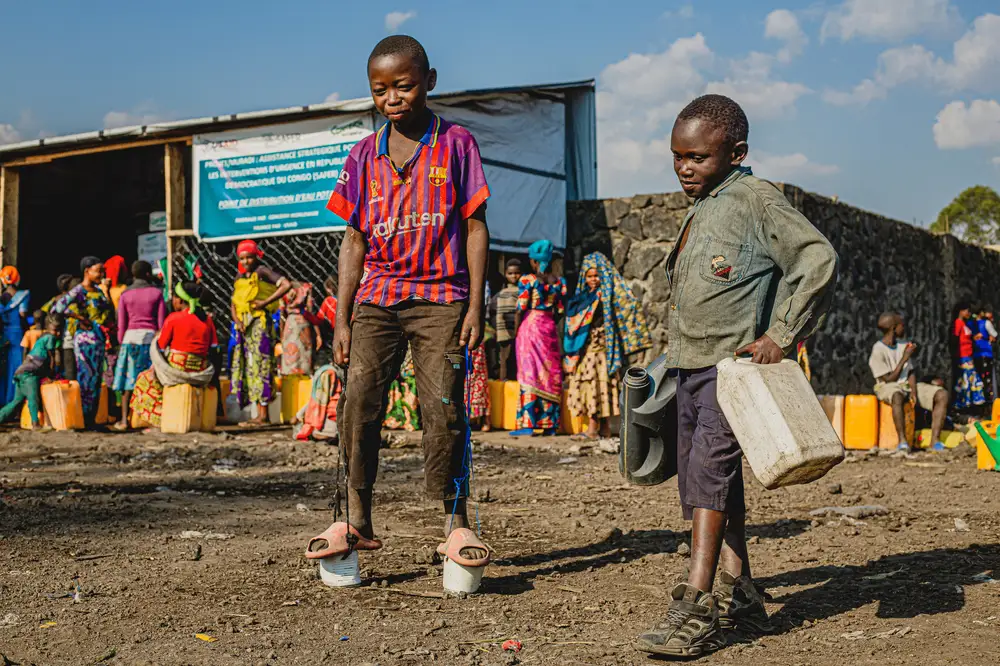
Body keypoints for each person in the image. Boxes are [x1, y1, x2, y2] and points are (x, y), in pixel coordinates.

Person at [635, 94, 838, 658]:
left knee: (709, 472)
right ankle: (740, 590)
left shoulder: (755, 199)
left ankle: (695, 605)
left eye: (697, 157)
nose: (684, 168)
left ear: (736, 153)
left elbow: (817, 260)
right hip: (690, 368)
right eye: (677, 156)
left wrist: (781, 333)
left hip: (733, 372)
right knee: (707, 480)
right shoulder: (705, 205)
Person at [307, 35, 491, 567]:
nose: (392, 98)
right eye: (380, 90)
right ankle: (355, 517)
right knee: (359, 404)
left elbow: (476, 226)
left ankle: (456, 523)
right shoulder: (364, 155)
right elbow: (354, 240)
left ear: (429, 82)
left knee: (444, 408)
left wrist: (475, 305)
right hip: (377, 300)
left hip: (442, 298)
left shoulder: (457, 143)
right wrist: (342, 319)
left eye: (404, 86)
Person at [564, 252, 652, 440]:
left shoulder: (606, 296)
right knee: (592, 386)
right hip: (587, 349)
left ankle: (594, 430)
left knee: (597, 385)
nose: (593, 279)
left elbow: (628, 306)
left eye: (597, 275)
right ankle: (601, 429)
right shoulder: (584, 297)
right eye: (589, 276)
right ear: (583, 277)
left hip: (601, 350)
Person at [130, 282, 218, 429]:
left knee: (144, 379)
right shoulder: (207, 319)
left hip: (177, 370)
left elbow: (161, 346)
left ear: (180, 300)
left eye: (175, 298)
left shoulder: (173, 318)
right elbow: (214, 347)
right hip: (201, 370)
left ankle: (160, 419)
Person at [229, 239, 290, 426]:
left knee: (261, 365)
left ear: (256, 256)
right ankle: (257, 414)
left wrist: (264, 303)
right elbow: (234, 302)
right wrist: (237, 320)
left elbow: (286, 285)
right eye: (242, 258)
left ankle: (263, 415)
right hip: (244, 327)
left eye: (249, 257)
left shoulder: (262, 272)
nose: (246, 261)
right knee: (248, 366)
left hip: (260, 325)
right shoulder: (240, 277)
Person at [869, 313, 948, 452]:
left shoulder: (903, 345)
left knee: (941, 394)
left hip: (905, 384)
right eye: (901, 325)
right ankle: (902, 441)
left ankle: (935, 441)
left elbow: (910, 372)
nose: (904, 328)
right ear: (894, 328)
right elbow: (888, 379)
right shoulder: (878, 350)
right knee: (897, 396)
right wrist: (905, 357)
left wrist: (913, 391)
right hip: (887, 386)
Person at [511, 240, 566, 437]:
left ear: (534, 261)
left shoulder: (528, 280)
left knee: (529, 373)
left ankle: (528, 423)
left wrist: (516, 331)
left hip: (531, 327)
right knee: (549, 374)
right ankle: (550, 423)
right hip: (549, 327)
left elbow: (521, 306)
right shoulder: (559, 282)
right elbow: (559, 310)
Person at [52, 257, 115, 424]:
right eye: (98, 271)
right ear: (87, 271)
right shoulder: (78, 291)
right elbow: (57, 308)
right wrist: (77, 317)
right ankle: (84, 418)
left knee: (95, 381)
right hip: (84, 341)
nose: (101, 274)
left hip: (99, 340)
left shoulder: (98, 291)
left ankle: (92, 419)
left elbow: (109, 312)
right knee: (85, 379)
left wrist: (107, 291)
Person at [112, 261, 167, 430]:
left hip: (130, 340)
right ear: (148, 274)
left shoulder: (125, 295)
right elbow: (161, 322)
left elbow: (121, 322)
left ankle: (123, 420)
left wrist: (121, 342)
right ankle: (152, 421)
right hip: (150, 340)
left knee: (129, 381)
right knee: (151, 380)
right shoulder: (156, 293)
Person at [0, 313, 63, 429]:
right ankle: (35, 424)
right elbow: (52, 357)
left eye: (59, 330)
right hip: (29, 374)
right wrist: (51, 375)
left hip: (21, 372)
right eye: (56, 330)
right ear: (48, 327)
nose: (57, 333)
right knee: (33, 398)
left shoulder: (42, 337)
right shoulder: (50, 338)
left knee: (16, 402)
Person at [0, 266, 31, 405]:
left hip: (5, 334)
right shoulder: (24, 295)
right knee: (17, 365)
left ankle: (4, 400)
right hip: (18, 333)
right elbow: (23, 314)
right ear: (18, 279)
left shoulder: (2, 298)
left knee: (4, 368)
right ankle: (15, 401)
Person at [280, 282, 322, 377]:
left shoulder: (285, 287)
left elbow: (282, 313)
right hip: (303, 322)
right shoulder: (305, 288)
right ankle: (304, 381)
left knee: (290, 355)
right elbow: (310, 311)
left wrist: (282, 333)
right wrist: (318, 334)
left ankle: (290, 384)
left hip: (289, 324)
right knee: (305, 355)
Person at [490, 258, 522, 381]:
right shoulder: (501, 293)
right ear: (505, 274)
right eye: (510, 273)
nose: (514, 276)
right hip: (503, 330)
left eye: (516, 273)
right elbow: (494, 312)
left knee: (516, 356)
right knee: (503, 357)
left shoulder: (522, 292)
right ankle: (503, 380)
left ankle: (515, 380)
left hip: (518, 330)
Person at [952, 303, 986, 413]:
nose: (969, 313)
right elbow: (955, 339)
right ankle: (963, 405)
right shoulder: (958, 323)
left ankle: (968, 404)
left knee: (968, 380)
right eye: (967, 311)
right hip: (963, 357)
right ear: (961, 311)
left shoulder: (964, 324)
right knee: (966, 381)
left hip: (968, 356)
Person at [383, 346, 421, 431]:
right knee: (394, 385)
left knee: (412, 387)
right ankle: (396, 419)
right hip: (400, 367)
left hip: (412, 372)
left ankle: (411, 421)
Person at [973, 308, 996, 405]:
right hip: (985, 353)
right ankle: (988, 400)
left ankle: (980, 399)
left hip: (975, 353)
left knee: (978, 377)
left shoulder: (971, 324)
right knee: (987, 378)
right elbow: (994, 335)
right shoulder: (986, 323)